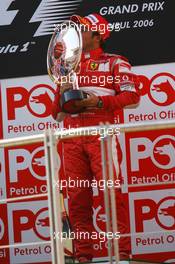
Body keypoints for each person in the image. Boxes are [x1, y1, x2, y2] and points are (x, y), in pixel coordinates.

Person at [52, 13, 140, 263]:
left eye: (84, 30)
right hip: (71, 138)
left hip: (101, 135)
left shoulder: (115, 62)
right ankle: (83, 257)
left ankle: (122, 256)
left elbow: (132, 98)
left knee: (110, 196)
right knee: (78, 200)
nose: (78, 34)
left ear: (99, 35)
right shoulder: (66, 66)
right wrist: (64, 94)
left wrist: (99, 101)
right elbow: (56, 115)